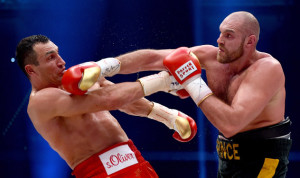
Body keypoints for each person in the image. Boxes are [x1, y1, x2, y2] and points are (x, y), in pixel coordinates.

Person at [114, 11, 292, 177]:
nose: (219, 40)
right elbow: (153, 58)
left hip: (264, 158)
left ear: (250, 41)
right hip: (228, 157)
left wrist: (193, 82)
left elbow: (231, 124)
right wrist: (105, 66)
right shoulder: (211, 56)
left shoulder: (267, 69)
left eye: (228, 35)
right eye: (221, 33)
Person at [15, 35, 198, 178]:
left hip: (135, 161)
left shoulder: (78, 79)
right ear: (31, 70)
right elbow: (108, 100)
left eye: (58, 53)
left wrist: (168, 116)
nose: (61, 61)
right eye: (51, 58)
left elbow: (126, 100)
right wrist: (164, 81)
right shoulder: (41, 101)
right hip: (99, 172)